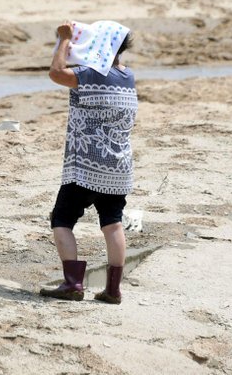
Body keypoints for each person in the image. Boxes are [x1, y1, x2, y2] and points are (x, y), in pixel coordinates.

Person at [40, 20, 137, 305]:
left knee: (62, 220)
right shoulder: (128, 76)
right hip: (119, 167)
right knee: (113, 224)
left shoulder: (90, 74)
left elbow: (57, 72)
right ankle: (113, 289)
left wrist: (64, 40)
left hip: (85, 166)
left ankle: (72, 283)